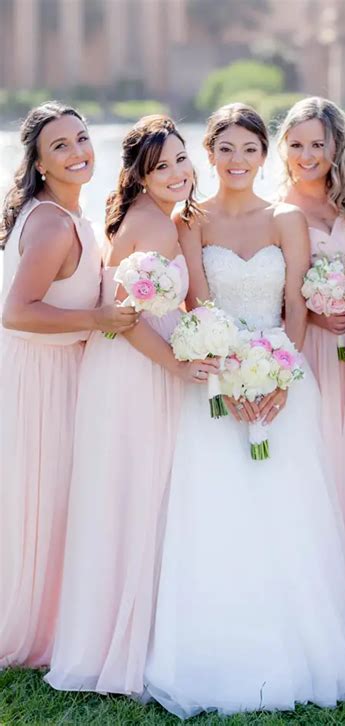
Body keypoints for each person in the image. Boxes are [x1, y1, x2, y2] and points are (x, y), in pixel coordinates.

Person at [143, 103, 345, 718]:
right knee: (219, 512)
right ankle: (219, 651)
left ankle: (302, 649)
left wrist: (279, 379)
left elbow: (297, 307)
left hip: (285, 380)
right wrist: (228, 378)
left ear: (262, 155)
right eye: (225, 150)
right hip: (216, 386)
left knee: (289, 513)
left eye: (249, 149)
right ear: (209, 154)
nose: (238, 161)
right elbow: (196, 306)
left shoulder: (286, 219)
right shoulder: (189, 219)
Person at [45, 116, 218, 695]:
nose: (175, 173)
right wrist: (178, 364)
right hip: (134, 369)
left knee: (131, 497)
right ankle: (121, 643)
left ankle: (129, 633)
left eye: (180, 160)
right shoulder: (153, 225)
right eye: (160, 165)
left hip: (134, 365)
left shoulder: (158, 220)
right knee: (134, 496)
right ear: (140, 176)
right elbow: (123, 321)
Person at [0, 102, 137, 668]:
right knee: (40, 499)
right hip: (40, 375)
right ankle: (29, 625)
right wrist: (97, 322)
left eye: (82, 138)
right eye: (60, 145)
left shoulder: (73, 214)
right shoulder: (53, 223)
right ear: (37, 160)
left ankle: (59, 615)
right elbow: (17, 312)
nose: (79, 151)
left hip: (64, 368)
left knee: (60, 500)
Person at [277, 97, 345, 586]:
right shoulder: (277, 210)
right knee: (326, 459)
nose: (307, 155)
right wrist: (313, 318)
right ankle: (329, 584)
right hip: (315, 349)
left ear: (337, 145)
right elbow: (271, 294)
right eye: (296, 144)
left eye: (318, 143)